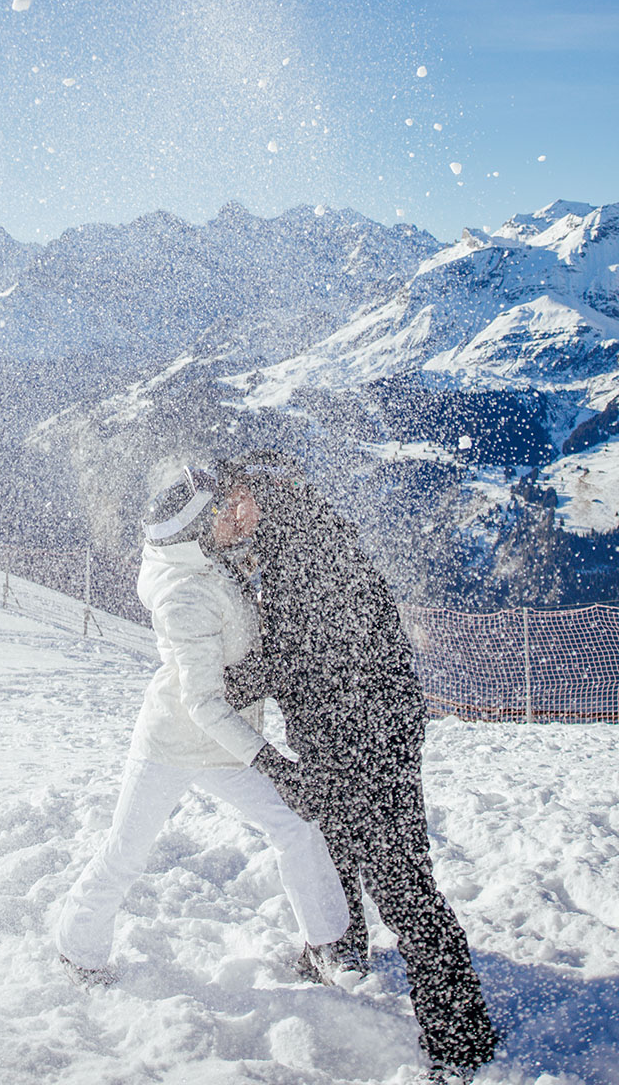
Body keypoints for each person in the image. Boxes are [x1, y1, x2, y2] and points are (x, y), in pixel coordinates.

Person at [217, 453, 498, 1082]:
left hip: (363, 740)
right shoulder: (308, 538)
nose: (232, 513)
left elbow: (297, 655)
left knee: (400, 880)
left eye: (239, 500)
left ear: (268, 496)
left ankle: (461, 1036)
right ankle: (342, 948)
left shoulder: (306, 557)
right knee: (334, 842)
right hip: (362, 730)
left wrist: (220, 688)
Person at [55, 465, 350, 986]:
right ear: (192, 530)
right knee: (125, 853)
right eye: (216, 513)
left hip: (225, 739)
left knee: (296, 828)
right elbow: (203, 703)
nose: (229, 517)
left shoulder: (202, 564)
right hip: (173, 742)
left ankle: (326, 945)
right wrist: (273, 764)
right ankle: (78, 952)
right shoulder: (185, 597)